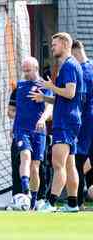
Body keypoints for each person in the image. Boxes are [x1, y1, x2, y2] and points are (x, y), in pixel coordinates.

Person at [29, 32, 83, 212]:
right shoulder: (71, 65)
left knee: (57, 164)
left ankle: (50, 203)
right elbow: (64, 98)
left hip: (65, 121)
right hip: (71, 119)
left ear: (66, 45)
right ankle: (73, 204)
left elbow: (70, 93)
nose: (52, 47)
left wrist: (51, 87)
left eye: (55, 45)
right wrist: (45, 97)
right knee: (69, 164)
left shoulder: (68, 66)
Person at [12, 57, 53, 210]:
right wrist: (14, 126)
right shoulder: (20, 85)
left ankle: (33, 202)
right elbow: (17, 109)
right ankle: (25, 190)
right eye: (24, 70)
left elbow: (50, 107)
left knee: (35, 166)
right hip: (22, 129)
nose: (26, 73)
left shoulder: (44, 85)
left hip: (39, 131)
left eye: (28, 70)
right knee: (25, 155)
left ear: (36, 68)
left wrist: (42, 119)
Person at [71, 40, 93, 209]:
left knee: (76, 161)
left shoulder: (81, 72)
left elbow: (78, 100)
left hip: (85, 122)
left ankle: (76, 202)